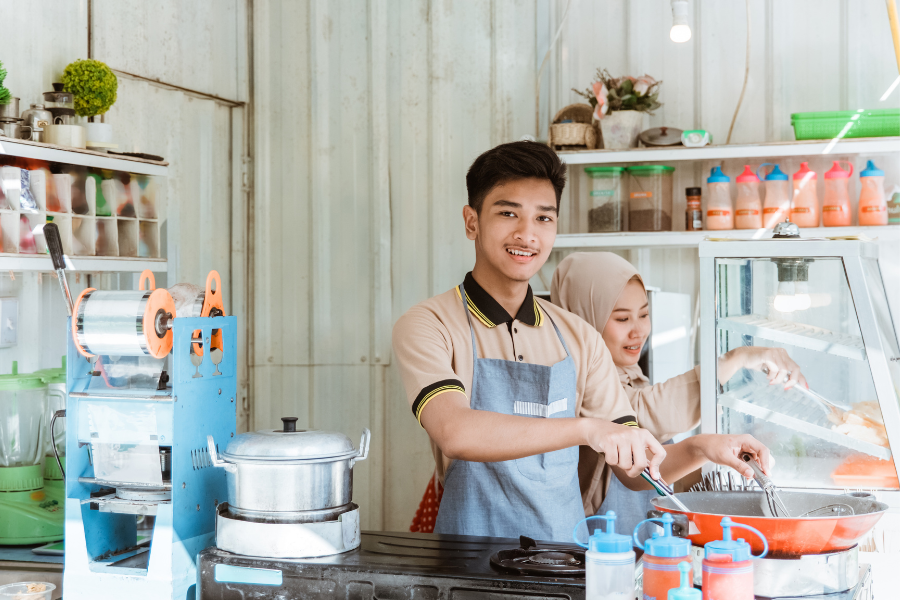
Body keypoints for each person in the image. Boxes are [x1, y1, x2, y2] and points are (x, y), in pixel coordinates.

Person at [392, 141, 769, 542]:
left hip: (566, 564)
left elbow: (633, 470)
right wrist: (588, 429)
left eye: (544, 218)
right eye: (508, 213)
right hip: (468, 565)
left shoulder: (578, 337)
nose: (527, 234)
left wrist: (705, 448)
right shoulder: (429, 324)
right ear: (472, 221)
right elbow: (456, 431)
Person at [551, 251, 804, 534]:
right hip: (596, 555)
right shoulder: (577, 383)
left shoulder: (632, 376)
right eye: (622, 319)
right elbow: (645, 414)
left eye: (644, 314)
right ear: (584, 320)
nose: (639, 331)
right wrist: (738, 358)